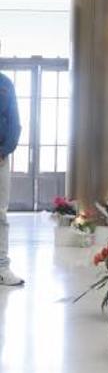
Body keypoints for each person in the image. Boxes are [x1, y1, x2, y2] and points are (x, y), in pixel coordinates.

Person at [0, 72, 22, 286]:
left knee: (0, 214)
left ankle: (2, 268)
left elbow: (15, 122)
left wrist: (4, 150)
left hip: (0, 158)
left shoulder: (5, 83)